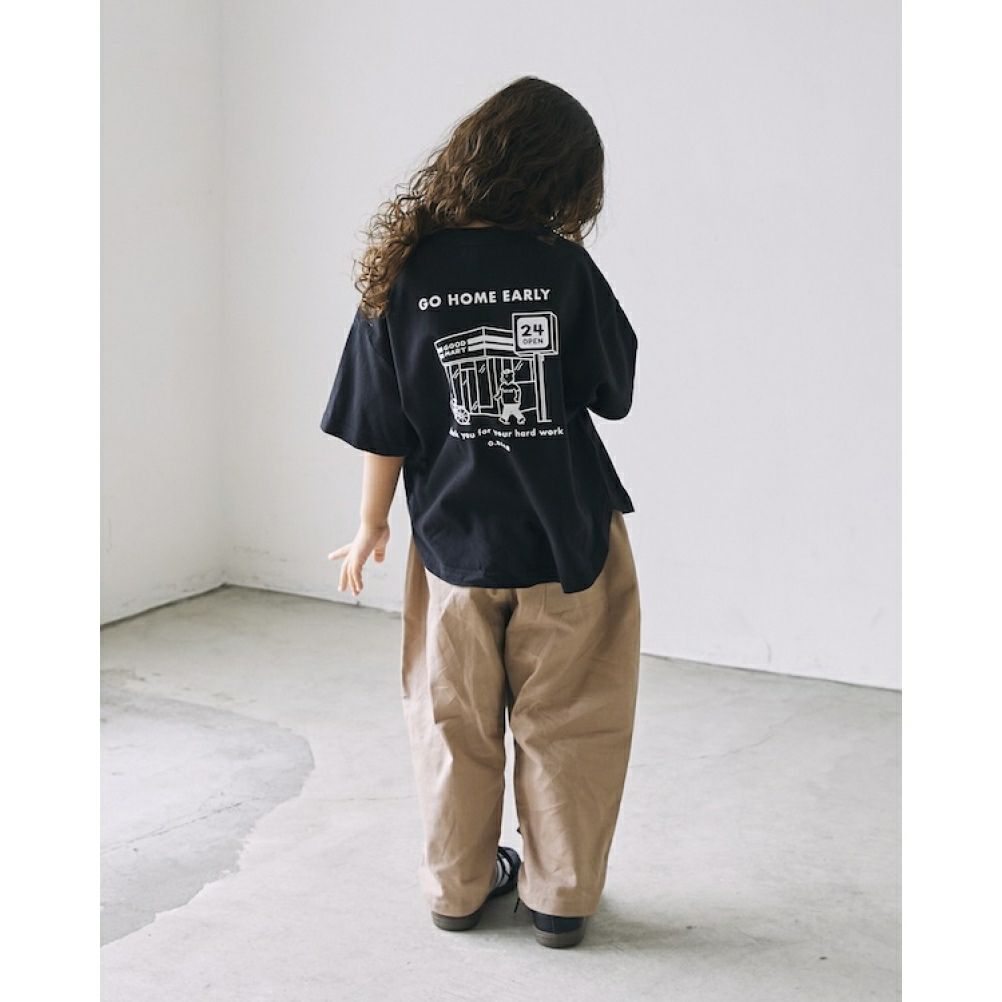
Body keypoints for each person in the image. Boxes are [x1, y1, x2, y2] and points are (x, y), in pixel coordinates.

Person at [319, 76, 641, 949]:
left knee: (451, 723)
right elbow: (613, 391)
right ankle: (560, 900)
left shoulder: (403, 273)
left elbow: (381, 424)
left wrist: (371, 524)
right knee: (571, 720)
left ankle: (458, 890)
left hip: (455, 548)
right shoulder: (563, 268)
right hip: (569, 543)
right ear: (564, 179)